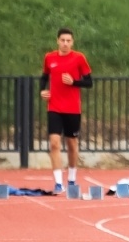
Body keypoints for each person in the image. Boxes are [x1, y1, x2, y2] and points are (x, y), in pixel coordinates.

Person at [39, 27, 92, 193]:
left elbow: (89, 82)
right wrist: (42, 90)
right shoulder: (49, 58)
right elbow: (44, 77)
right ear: (57, 41)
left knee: (72, 144)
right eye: (62, 40)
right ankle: (58, 183)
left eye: (68, 41)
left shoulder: (79, 58)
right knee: (54, 143)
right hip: (54, 106)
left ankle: (71, 178)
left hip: (72, 108)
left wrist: (74, 82)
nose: (65, 43)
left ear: (72, 42)